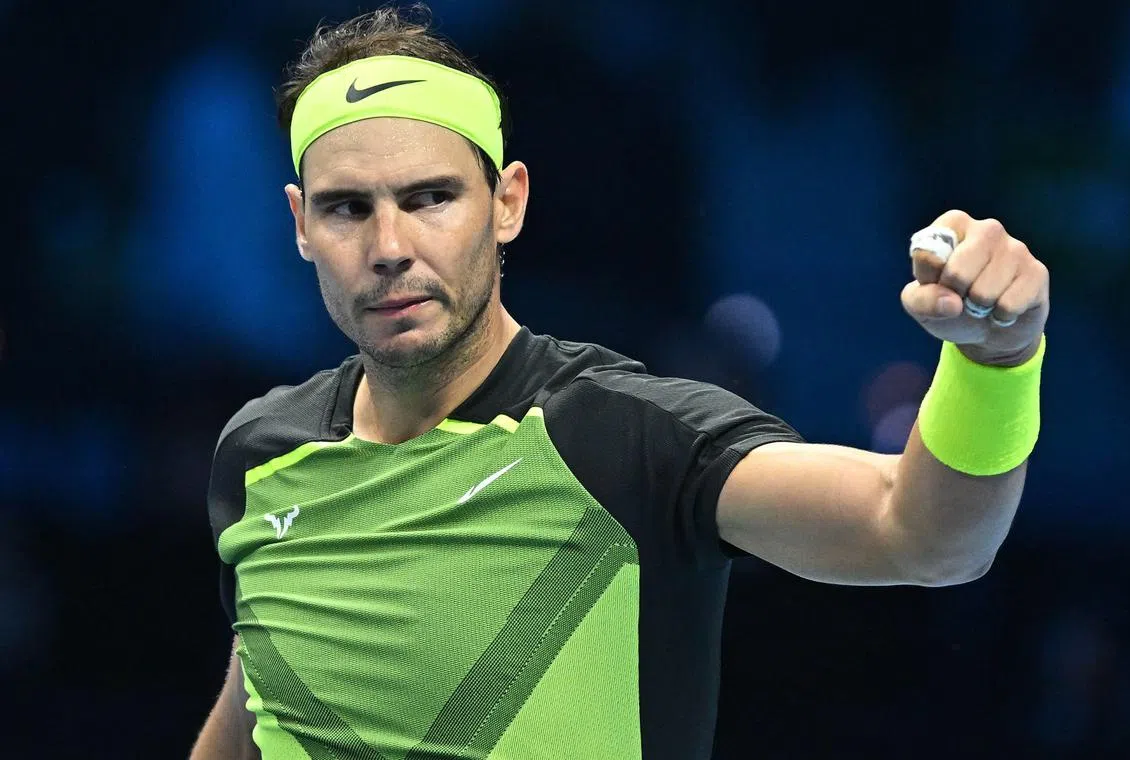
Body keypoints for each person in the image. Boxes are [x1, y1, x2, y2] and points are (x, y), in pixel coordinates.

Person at [190, 7, 1049, 760]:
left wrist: (998, 361)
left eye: (430, 198)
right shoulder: (261, 454)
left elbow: (930, 539)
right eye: (348, 208)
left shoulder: (626, 438)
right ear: (300, 223)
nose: (388, 246)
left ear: (507, 205)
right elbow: (258, 704)